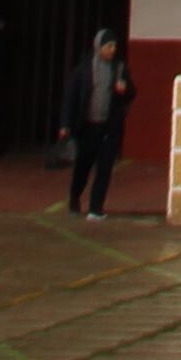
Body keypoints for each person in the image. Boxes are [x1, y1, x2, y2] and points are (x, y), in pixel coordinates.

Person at [60, 28, 130, 221]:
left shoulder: (119, 68)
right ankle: (75, 197)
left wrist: (124, 89)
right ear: (98, 47)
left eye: (114, 46)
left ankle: (95, 208)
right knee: (83, 166)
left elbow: (132, 92)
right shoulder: (84, 69)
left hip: (109, 127)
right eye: (108, 46)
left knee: (105, 168)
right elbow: (70, 97)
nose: (112, 50)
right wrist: (65, 124)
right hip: (88, 127)